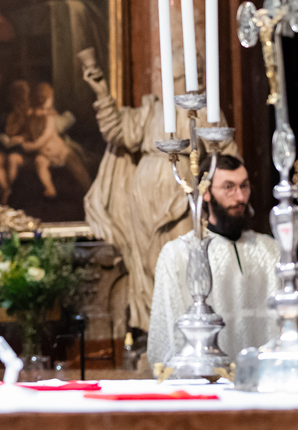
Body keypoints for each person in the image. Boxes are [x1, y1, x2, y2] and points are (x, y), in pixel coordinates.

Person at [81, 58, 238, 333]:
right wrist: (102, 91)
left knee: (185, 261)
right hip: (142, 198)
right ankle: (156, 334)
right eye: (187, 75)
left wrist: (232, 188)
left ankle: (189, 332)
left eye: (199, 74)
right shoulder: (151, 110)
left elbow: (226, 153)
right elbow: (117, 131)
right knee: (146, 265)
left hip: (182, 196)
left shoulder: (203, 111)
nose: (197, 80)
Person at [147, 155, 278, 368]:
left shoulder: (270, 250)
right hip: (208, 379)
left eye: (244, 186)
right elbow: (167, 335)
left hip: (266, 379)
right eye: (228, 187)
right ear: (205, 192)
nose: (240, 197)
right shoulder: (179, 254)